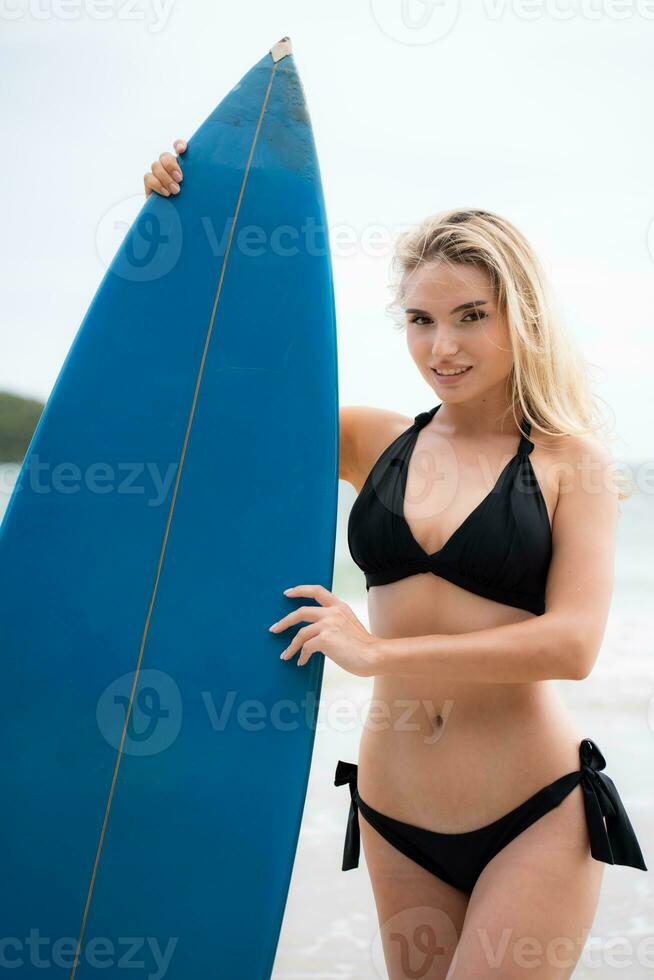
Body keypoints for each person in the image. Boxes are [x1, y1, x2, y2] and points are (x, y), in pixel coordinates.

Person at [144, 144, 647, 979]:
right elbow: (208, 398)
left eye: (471, 317)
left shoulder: (571, 462)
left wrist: (378, 653)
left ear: (520, 315)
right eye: (421, 320)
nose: (442, 345)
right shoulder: (372, 439)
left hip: (533, 813)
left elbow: (572, 645)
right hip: (393, 811)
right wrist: (183, 224)